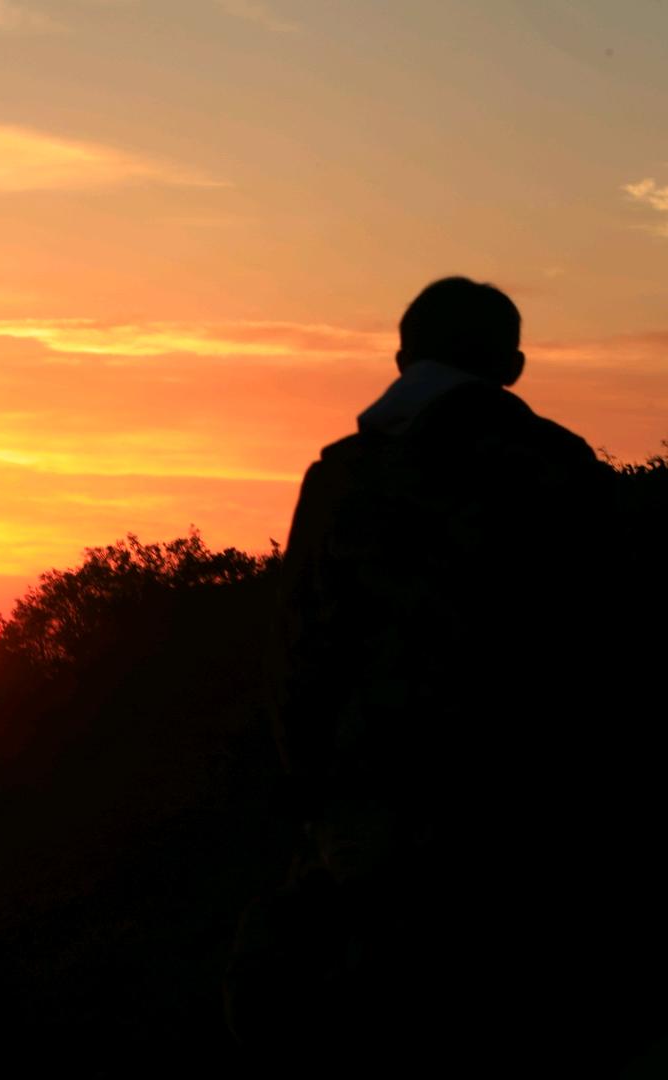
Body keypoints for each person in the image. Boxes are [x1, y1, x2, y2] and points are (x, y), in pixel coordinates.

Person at [227, 277, 659, 1074]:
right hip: (538, 824)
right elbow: (616, 641)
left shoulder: (346, 477)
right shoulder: (564, 471)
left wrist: (315, 796)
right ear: (514, 365)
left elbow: (297, 653)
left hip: (375, 818)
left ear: (401, 357)